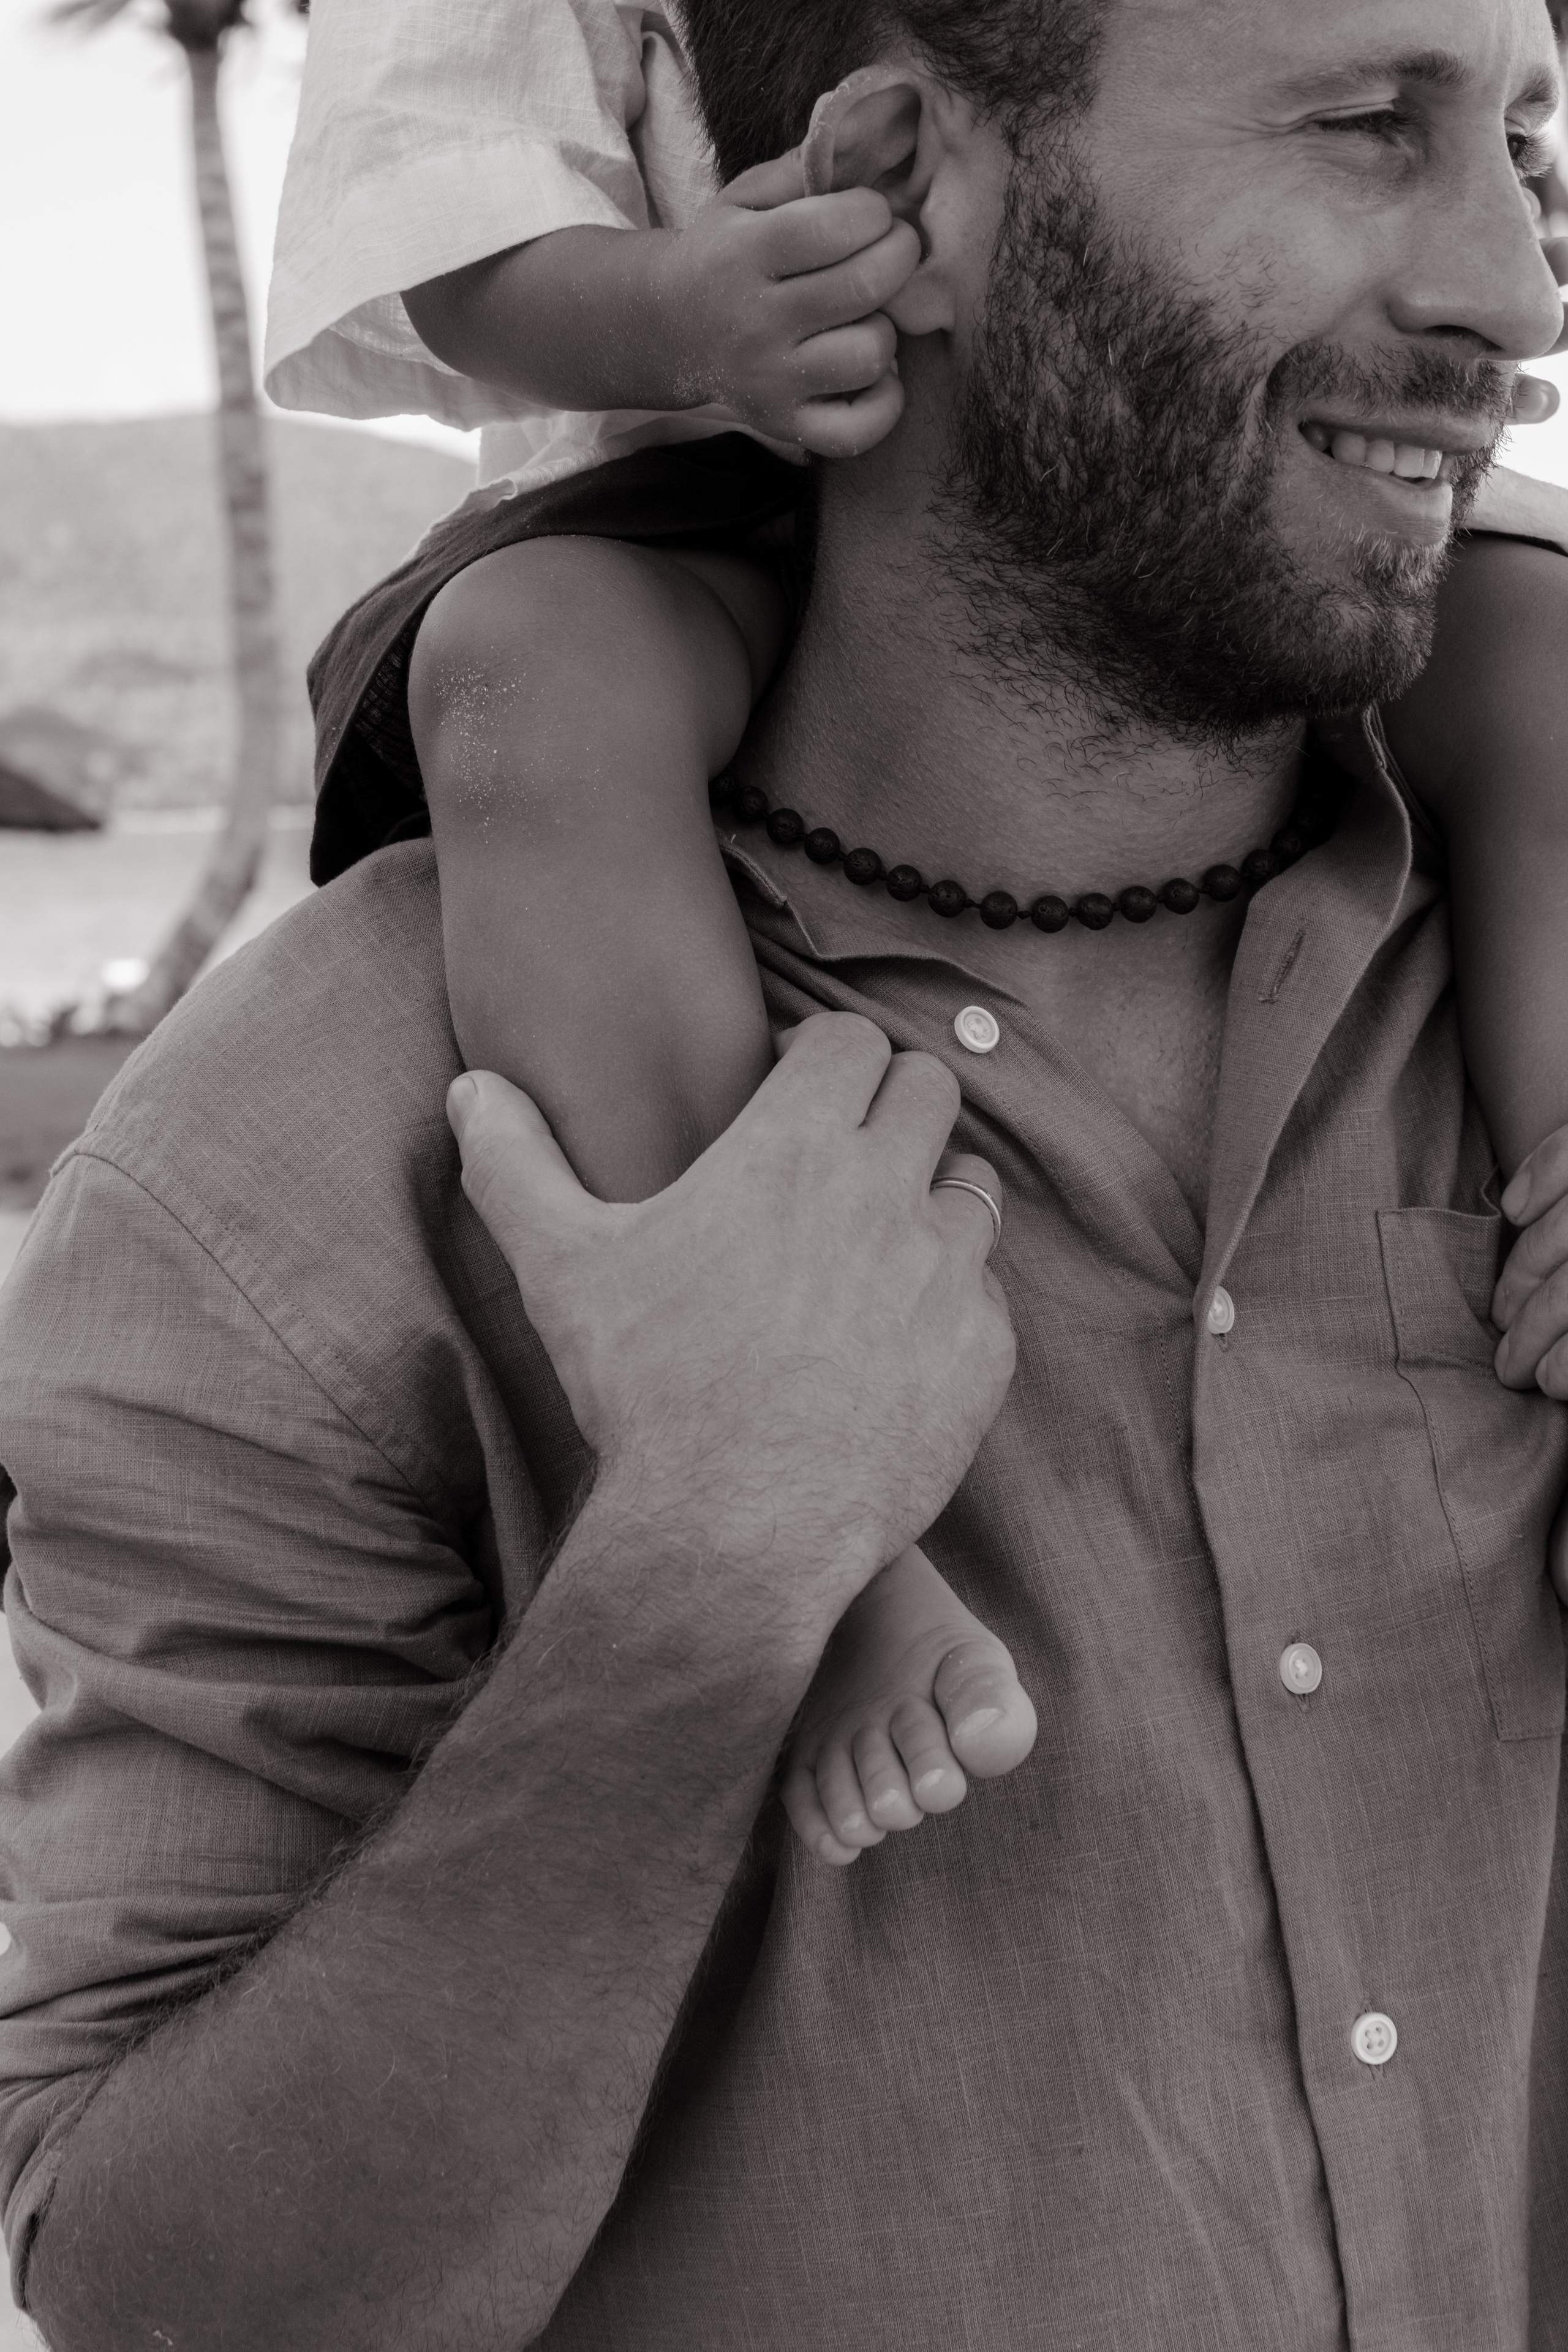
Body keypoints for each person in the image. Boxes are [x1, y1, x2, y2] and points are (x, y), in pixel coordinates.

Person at [6, 0, 1568, 2341]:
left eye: (1530, 149)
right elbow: (167, 2299)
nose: (1523, 298)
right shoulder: (297, 1163)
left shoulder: (1513, 907)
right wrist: (713, 1566)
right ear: (901, 171)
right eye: (1365, 126)